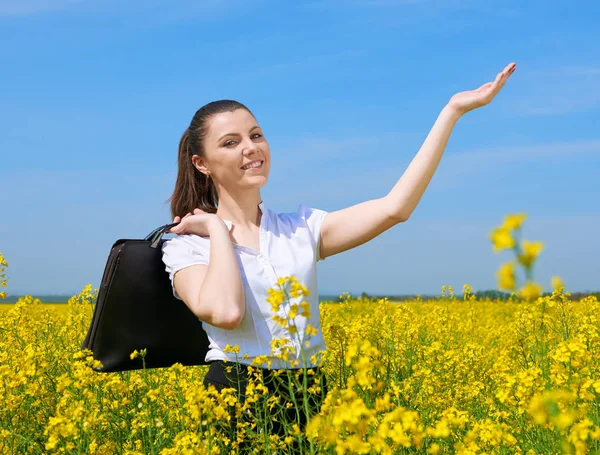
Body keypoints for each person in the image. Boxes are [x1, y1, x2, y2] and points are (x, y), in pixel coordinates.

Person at [160, 62, 516, 452]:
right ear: (201, 163)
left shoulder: (301, 228)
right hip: (233, 397)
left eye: (256, 135)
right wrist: (216, 231)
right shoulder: (186, 244)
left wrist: (452, 111)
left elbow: (395, 208)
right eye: (230, 142)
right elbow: (225, 313)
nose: (251, 148)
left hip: (309, 396)